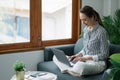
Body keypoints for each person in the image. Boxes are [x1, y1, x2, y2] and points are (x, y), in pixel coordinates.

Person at [53, 5, 109, 77]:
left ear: (92, 17)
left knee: (80, 66)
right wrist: (75, 56)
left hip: (97, 63)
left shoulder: (101, 32)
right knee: (55, 57)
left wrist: (85, 58)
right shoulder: (86, 30)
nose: (83, 23)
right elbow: (85, 49)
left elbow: (105, 55)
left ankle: (68, 69)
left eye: (84, 20)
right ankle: (70, 70)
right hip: (85, 60)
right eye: (81, 20)